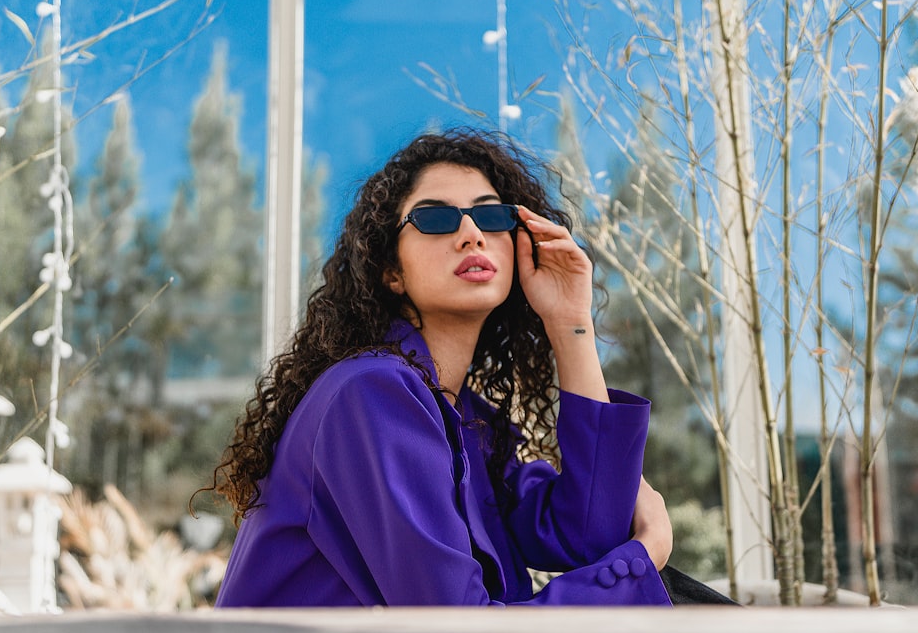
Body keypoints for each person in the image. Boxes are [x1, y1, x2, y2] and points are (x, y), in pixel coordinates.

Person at [208, 127, 674, 607]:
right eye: (435, 218)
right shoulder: (370, 394)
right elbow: (457, 630)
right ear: (391, 270)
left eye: (492, 215)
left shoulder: (471, 423)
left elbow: (587, 536)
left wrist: (569, 322)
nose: (472, 234)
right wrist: (646, 554)